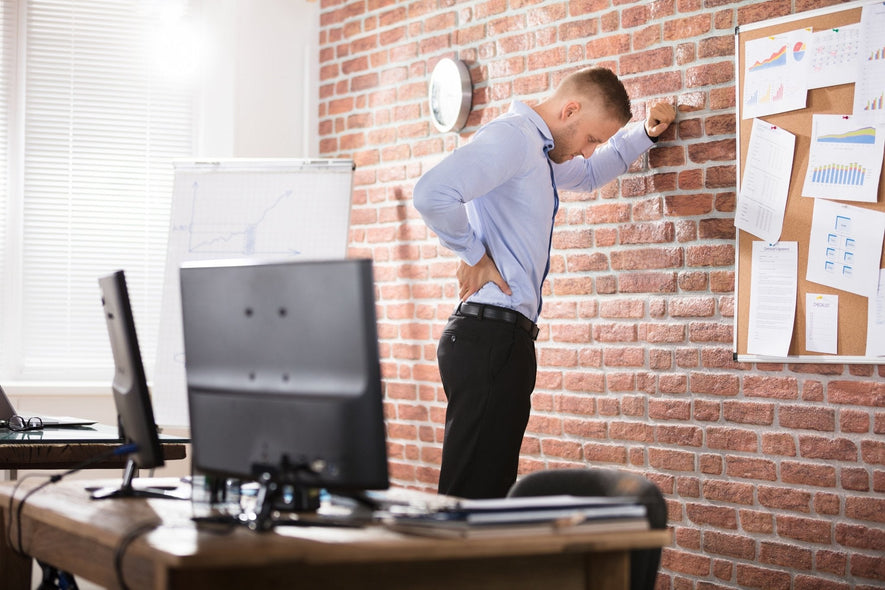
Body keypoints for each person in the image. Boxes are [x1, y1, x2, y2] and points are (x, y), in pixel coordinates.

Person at [413, 66, 676, 499]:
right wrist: (474, 255)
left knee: (486, 494)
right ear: (569, 109)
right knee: (474, 501)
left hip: (500, 339)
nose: (590, 152)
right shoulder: (514, 139)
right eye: (591, 138)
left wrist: (645, 134)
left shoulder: (539, 153)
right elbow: (431, 193)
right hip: (491, 338)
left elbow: (591, 176)